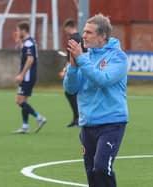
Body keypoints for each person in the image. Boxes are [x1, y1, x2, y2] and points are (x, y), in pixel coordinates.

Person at [64, 14, 128, 187]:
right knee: (91, 173)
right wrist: (72, 67)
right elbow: (71, 88)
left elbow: (103, 79)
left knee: (101, 168)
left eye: (89, 32)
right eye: (84, 31)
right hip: (88, 124)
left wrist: (82, 60)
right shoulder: (85, 57)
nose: (83, 35)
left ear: (102, 36)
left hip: (111, 123)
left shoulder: (118, 57)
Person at [12, 21, 46, 134]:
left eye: (18, 30)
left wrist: (22, 74)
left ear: (23, 30)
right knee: (24, 101)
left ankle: (39, 117)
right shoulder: (29, 42)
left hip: (27, 77)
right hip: (29, 76)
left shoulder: (28, 44)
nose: (17, 32)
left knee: (19, 100)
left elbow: (30, 59)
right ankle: (25, 126)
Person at [59, 19, 87, 127]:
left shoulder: (72, 39)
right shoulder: (80, 38)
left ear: (68, 27)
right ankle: (77, 118)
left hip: (77, 71)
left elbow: (72, 59)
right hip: (83, 70)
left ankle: (78, 118)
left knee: (70, 92)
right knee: (74, 94)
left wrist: (65, 71)